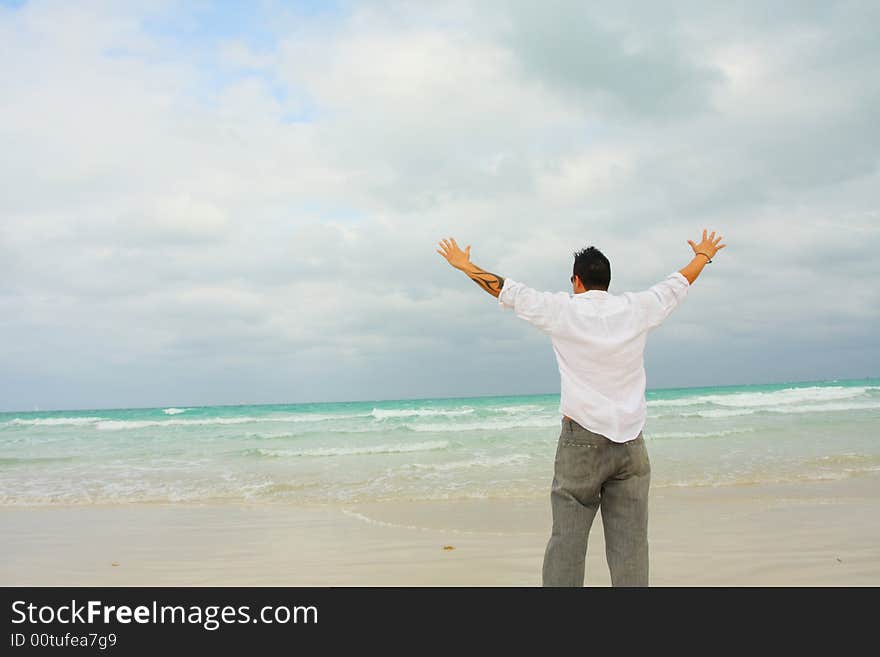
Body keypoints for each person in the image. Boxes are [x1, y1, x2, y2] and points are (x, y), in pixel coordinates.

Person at [436, 229, 726, 586]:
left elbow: (504, 289)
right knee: (631, 546)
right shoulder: (638, 308)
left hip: (581, 443)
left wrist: (464, 265)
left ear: (576, 280)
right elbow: (679, 281)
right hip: (631, 444)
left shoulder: (563, 310)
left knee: (568, 543)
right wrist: (704, 255)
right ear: (607, 281)